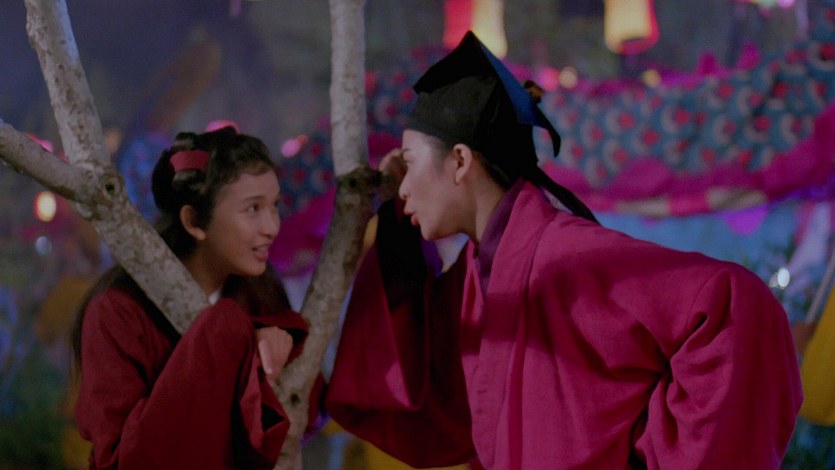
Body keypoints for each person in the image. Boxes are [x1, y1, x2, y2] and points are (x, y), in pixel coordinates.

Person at [326, 31, 803, 469]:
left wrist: (654, 452)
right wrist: (397, 230)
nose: (403, 187)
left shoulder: (567, 257)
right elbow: (417, 387)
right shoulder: (477, 277)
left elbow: (736, 307)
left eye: (410, 164)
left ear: (460, 161)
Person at [73, 126, 313, 469]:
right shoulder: (118, 312)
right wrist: (233, 338)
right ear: (194, 220)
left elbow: (302, 411)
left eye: (274, 206)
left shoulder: (258, 291)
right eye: (253, 209)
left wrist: (272, 339)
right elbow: (126, 458)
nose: (272, 227)